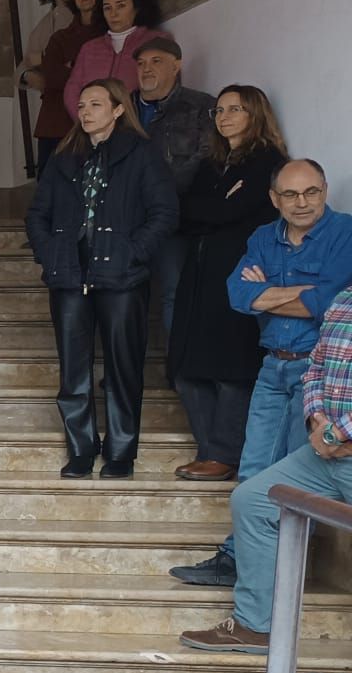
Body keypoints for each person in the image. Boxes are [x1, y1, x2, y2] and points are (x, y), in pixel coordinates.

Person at [172, 158, 352, 603]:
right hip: (273, 366)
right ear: (274, 199)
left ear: (324, 190)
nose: (302, 202)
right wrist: (289, 296)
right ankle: (239, 559)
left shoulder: (345, 233)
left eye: (311, 191)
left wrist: (266, 294)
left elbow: (330, 303)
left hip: (319, 373)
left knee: (291, 474)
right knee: (253, 468)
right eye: (290, 194)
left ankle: (275, 572)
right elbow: (238, 294)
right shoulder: (261, 237)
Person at [26, 79, 178, 478]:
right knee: (73, 368)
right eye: (81, 104)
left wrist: (132, 252)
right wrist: (50, 252)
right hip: (70, 274)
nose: (86, 111)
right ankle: (80, 449)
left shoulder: (141, 154)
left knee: (123, 366)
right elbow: (37, 215)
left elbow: (164, 213)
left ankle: (121, 451)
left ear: (117, 109)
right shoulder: (64, 157)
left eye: (96, 103)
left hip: (122, 275)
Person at [213, 285, 352, 655]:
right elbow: (316, 366)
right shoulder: (343, 300)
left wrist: (340, 431)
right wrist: (316, 419)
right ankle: (256, 626)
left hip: (340, 440)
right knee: (255, 500)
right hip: (327, 451)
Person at [168, 87, 286, 481]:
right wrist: (214, 211)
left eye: (235, 109)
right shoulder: (212, 162)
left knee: (230, 367)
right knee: (186, 368)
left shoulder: (267, 162)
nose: (224, 116)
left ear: (255, 114)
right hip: (200, 273)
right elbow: (186, 211)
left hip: (239, 275)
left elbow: (226, 210)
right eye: (219, 109)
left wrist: (213, 210)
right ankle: (210, 450)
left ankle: (224, 453)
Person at [130, 34, 218, 330]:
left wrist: (161, 199)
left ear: (176, 66)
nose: (147, 69)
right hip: (125, 219)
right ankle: (124, 375)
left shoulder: (201, 105)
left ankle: (176, 374)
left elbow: (206, 158)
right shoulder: (122, 107)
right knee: (123, 296)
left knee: (174, 292)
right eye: (141, 63)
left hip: (174, 219)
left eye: (157, 61)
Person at [62, 0, 164, 121]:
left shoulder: (155, 41)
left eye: (121, 6)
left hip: (139, 129)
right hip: (96, 132)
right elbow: (71, 91)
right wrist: (87, 122)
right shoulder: (90, 48)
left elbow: (164, 86)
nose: (113, 13)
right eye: (107, 8)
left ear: (137, 7)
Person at [20, 0, 81, 174]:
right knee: (48, 174)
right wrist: (28, 74)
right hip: (50, 107)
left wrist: (42, 60)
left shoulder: (79, 18)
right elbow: (24, 62)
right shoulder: (43, 23)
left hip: (74, 105)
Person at [39, 0, 108, 148]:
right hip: (57, 124)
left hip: (100, 125)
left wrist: (73, 67)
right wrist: (87, 70)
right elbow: (51, 76)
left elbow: (109, 77)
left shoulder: (110, 35)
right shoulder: (60, 38)